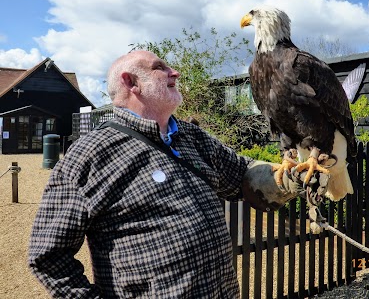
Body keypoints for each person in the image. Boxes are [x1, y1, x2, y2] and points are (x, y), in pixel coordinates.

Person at [28, 50, 319, 298]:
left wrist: (292, 176)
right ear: (130, 82)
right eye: (160, 68)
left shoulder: (191, 137)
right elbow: (48, 257)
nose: (175, 73)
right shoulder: (89, 155)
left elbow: (242, 175)